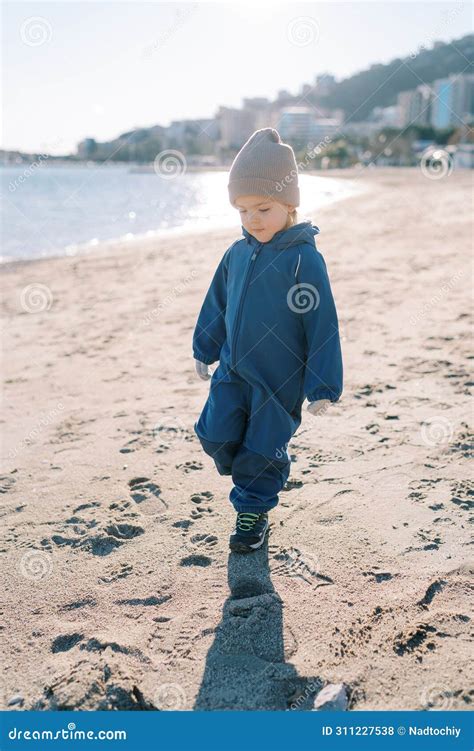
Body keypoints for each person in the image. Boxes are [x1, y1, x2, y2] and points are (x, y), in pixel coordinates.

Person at [192, 127, 343, 553]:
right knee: (215, 435)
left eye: (263, 208)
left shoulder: (303, 259)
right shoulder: (235, 254)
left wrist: (323, 385)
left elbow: (322, 324)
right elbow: (217, 303)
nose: (252, 219)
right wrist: (205, 346)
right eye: (242, 211)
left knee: (262, 449)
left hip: (279, 382)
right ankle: (244, 466)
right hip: (232, 370)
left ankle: (252, 512)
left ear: (289, 204)